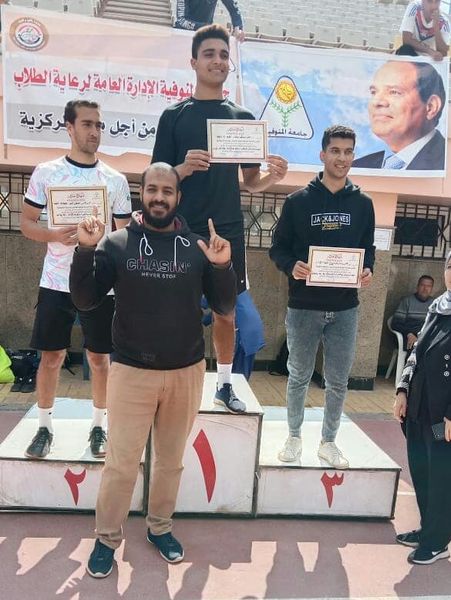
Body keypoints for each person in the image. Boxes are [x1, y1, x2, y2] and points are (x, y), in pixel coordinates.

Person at [69, 163, 236, 577]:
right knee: (121, 463)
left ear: (179, 197)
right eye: (152, 189)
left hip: (185, 372)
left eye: (168, 191)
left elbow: (225, 307)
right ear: (141, 194)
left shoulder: (199, 247)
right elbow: (86, 300)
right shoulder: (117, 243)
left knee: (169, 461)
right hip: (130, 372)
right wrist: (85, 249)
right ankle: (107, 537)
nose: (159, 197)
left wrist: (222, 267)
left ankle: (160, 528)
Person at [151, 24, 287, 414]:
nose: (217, 61)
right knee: (177, 311)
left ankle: (224, 386)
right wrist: (181, 168)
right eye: (209, 54)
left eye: (224, 55)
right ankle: (172, 381)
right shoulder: (173, 116)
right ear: (193, 62)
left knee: (227, 313)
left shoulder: (241, 117)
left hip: (227, 233)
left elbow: (250, 181)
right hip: (181, 230)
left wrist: (271, 178)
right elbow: (157, 181)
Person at [20, 99, 132, 459]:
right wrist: (54, 235)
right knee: (50, 357)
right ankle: (44, 427)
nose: (94, 132)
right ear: (69, 128)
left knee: (100, 359)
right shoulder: (46, 173)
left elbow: (124, 235)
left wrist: (101, 240)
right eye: (86, 124)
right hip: (56, 280)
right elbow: (26, 224)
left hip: (100, 282)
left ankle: (99, 426)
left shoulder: (114, 180)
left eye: (98, 125)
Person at [270, 125, 375, 469]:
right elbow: (278, 249)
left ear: (353, 156)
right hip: (304, 307)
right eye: (335, 151)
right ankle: (294, 436)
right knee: (298, 375)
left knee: (338, 381)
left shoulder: (363, 204)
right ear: (322, 154)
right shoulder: (298, 202)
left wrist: (368, 269)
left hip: (345, 308)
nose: (341, 158)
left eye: (347, 152)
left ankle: (329, 441)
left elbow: (367, 249)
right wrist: (292, 266)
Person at [393, 252, 451, 565]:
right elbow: (416, 354)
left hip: (444, 413)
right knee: (423, 470)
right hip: (420, 405)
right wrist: (402, 389)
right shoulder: (439, 307)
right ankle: (428, 528)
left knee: (443, 475)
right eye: (450, 266)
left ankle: (438, 541)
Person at [352, 61, 446, 171]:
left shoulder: (445, 162)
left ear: (431, 107)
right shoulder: (357, 166)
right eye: (374, 92)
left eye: (394, 92)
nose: (376, 102)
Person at [392, 275, 435, 350]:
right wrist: (408, 333)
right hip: (409, 336)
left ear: (432, 289)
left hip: (427, 337)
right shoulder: (407, 301)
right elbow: (396, 323)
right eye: (422, 285)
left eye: (428, 286)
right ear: (417, 287)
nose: (425, 289)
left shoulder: (435, 303)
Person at [174, 0, 245, 42]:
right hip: (183, 34)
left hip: (205, 36)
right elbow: (181, 20)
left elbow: (234, 9)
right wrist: (207, 27)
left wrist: (238, 28)